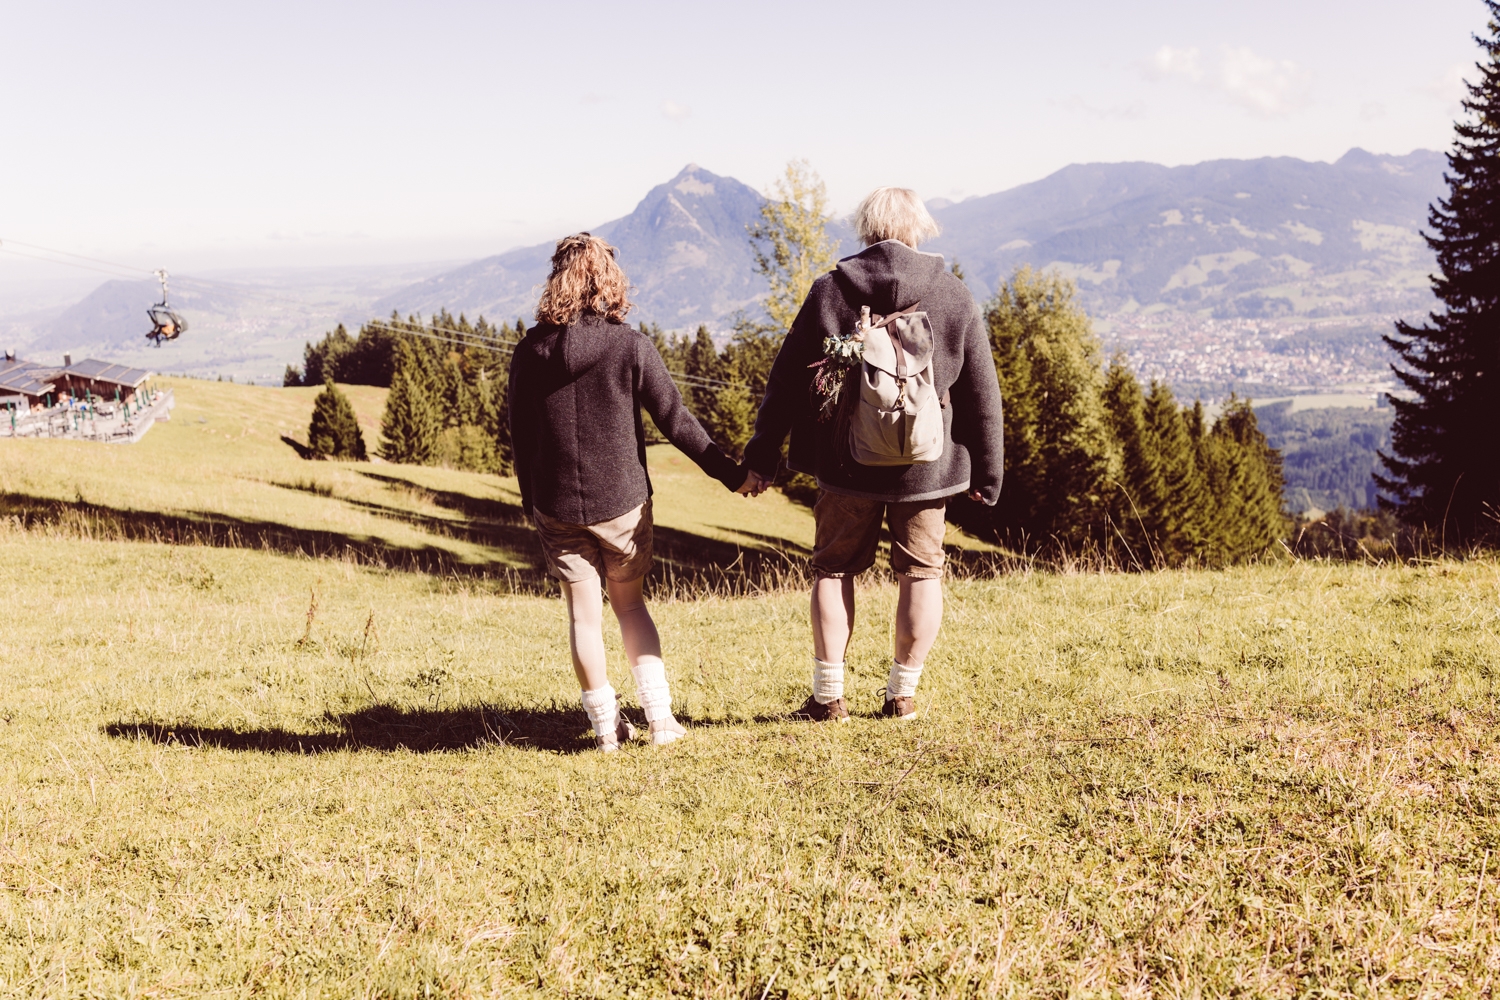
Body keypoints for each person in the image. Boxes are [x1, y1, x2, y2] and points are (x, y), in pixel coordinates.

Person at [739, 187, 1004, 722]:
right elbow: (983, 392)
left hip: (844, 465)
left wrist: (762, 455)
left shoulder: (830, 291)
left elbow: (786, 381)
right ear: (920, 227)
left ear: (865, 228)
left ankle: (827, 697)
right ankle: (901, 695)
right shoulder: (953, 295)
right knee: (922, 573)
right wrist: (988, 470)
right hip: (927, 468)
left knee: (834, 570)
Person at [509, 233, 754, 751]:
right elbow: (677, 422)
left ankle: (604, 728)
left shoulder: (529, 352)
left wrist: (532, 500)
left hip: (557, 506)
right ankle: (660, 719)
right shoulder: (630, 345)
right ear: (608, 279)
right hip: (622, 504)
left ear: (557, 279)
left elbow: (521, 436)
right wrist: (734, 475)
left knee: (582, 616)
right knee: (631, 608)